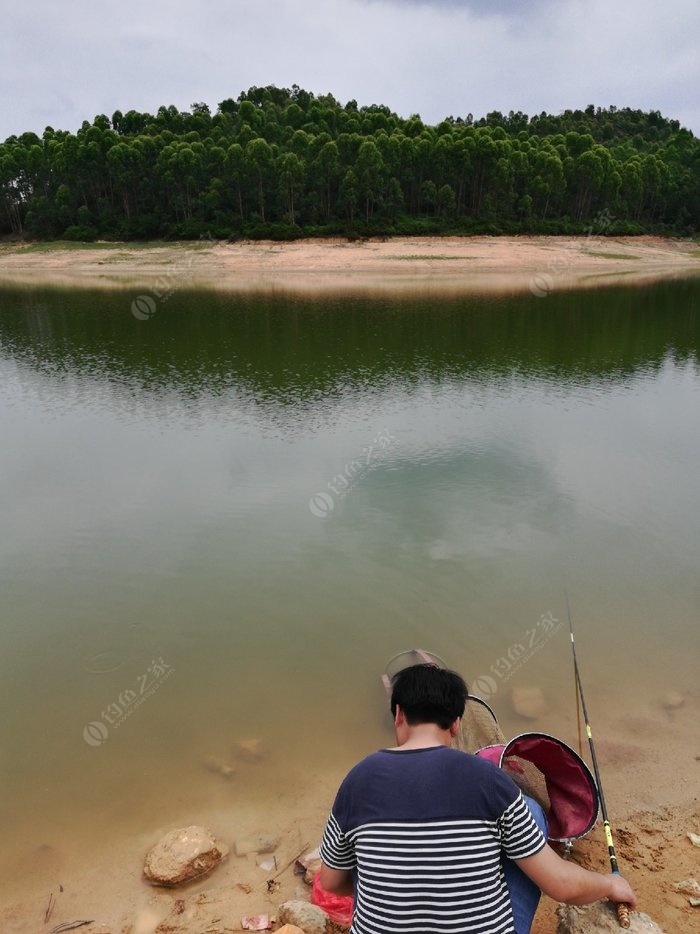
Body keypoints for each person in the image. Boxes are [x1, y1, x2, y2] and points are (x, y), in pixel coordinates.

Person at [320, 664, 636, 934]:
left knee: (360, 851)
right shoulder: (490, 780)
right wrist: (610, 884)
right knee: (530, 810)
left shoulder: (357, 781)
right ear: (456, 723)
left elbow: (332, 881)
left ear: (398, 714)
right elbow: (561, 886)